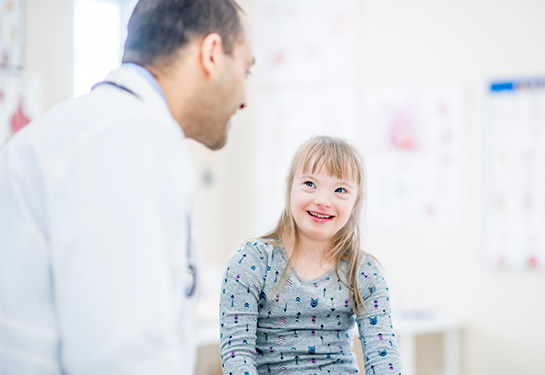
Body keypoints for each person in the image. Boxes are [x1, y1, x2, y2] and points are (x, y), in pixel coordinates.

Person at [0, 0, 255, 373]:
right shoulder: (133, 137)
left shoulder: (69, 131)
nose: (245, 98)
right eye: (245, 70)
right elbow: (125, 357)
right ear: (212, 54)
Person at [219, 136, 403, 375]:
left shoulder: (364, 271)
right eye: (309, 184)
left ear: (356, 203)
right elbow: (237, 354)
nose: (322, 201)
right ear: (289, 187)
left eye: (340, 190)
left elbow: (383, 356)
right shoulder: (251, 261)